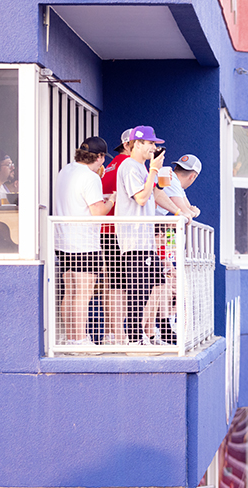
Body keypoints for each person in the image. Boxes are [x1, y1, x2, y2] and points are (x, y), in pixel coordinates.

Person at [54, 137, 116, 347]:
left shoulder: (66, 171)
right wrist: (112, 200)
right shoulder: (90, 178)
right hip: (84, 243)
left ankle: (70, 338)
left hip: (63, 240)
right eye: (102, 159)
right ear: (99, 157)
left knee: (69, 289)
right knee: (83, 292)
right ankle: (80, 339)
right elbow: (98, 212)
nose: (103, 164)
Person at [115, 125, 166, 346]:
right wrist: (154, 170)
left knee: (153, 285)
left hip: (146, 240)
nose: (154, 148)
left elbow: (154, 196)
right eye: (151, 143)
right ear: (137, 144)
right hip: (134, 240)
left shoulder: (142, 168)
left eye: (155, 144)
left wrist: (179, 211)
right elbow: (142, 198)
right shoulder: (129, 166)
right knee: (138, 290)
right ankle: (134, 338)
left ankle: (143, 334)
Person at [99, 128, 133, 345]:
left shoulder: (111, 166)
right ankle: (116, 334)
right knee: (119, 284)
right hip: (116, 231)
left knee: (112, 282)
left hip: (105, 230)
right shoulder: (126, 165)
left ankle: (111, 333)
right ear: (131, 145)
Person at [156, 154, 201, 219]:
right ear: (192, 176)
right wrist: (195, 213)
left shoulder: (177, 183)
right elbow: (185, 211)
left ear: (175, 168)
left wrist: (191, 211)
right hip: (143, 221)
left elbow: (188, 207)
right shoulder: (171, 179)